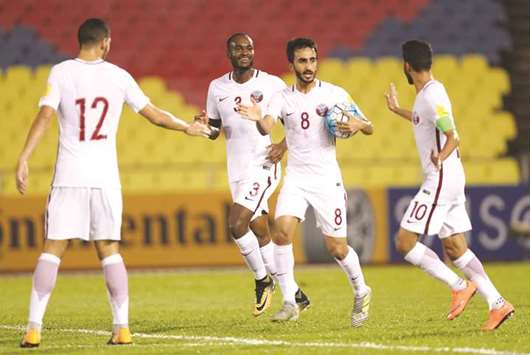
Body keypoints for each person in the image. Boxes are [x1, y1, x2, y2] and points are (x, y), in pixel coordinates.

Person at [16, 18, 211, 347]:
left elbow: (46, 116)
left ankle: (34, 328)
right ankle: (122, 328)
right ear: (105, 42)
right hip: (105, 177)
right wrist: (186, 128)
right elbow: (153, 114)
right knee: (109, 251)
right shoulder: (119, 77)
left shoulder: (61, 72)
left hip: (69, 176)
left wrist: (24, 157)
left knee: (52, 250)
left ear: (80, 41)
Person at [238, 37, 373, 326]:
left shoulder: (335, 94)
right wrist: (257, 118)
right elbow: (267, 125)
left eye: (312, 60)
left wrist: (357, 125)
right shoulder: (282, 98)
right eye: (302, 61)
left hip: (327, 180)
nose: (308, 66)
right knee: (282, 233)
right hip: (296, 178)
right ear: (292, 65)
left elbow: (369, 125)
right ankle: (289, 301)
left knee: (337, 248)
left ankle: (362, 290)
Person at [384, 39, 514, 331]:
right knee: (455, 247)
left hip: (441, 176)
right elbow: (424, 120)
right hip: (452, 176)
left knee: (404, 242)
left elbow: (453, 135)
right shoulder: (428, 95)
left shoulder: (432, 96)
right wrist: (398, 110)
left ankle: (458, 285)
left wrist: (440, 156)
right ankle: (497, 303)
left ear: (406, 65)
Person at [200, 33, 309, 317]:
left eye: (248, 47)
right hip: (236, 169)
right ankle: (295, 293)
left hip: (263, 165)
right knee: (260, 232)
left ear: (254, 51)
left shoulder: (272, 84)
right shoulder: (217, 88)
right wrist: (203, 127)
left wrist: (282, 146)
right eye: (238, 48)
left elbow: (296, 121)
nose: (244, 52)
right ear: (229, 53)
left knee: (237, 224)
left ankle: (263, 280)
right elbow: (214, 129)